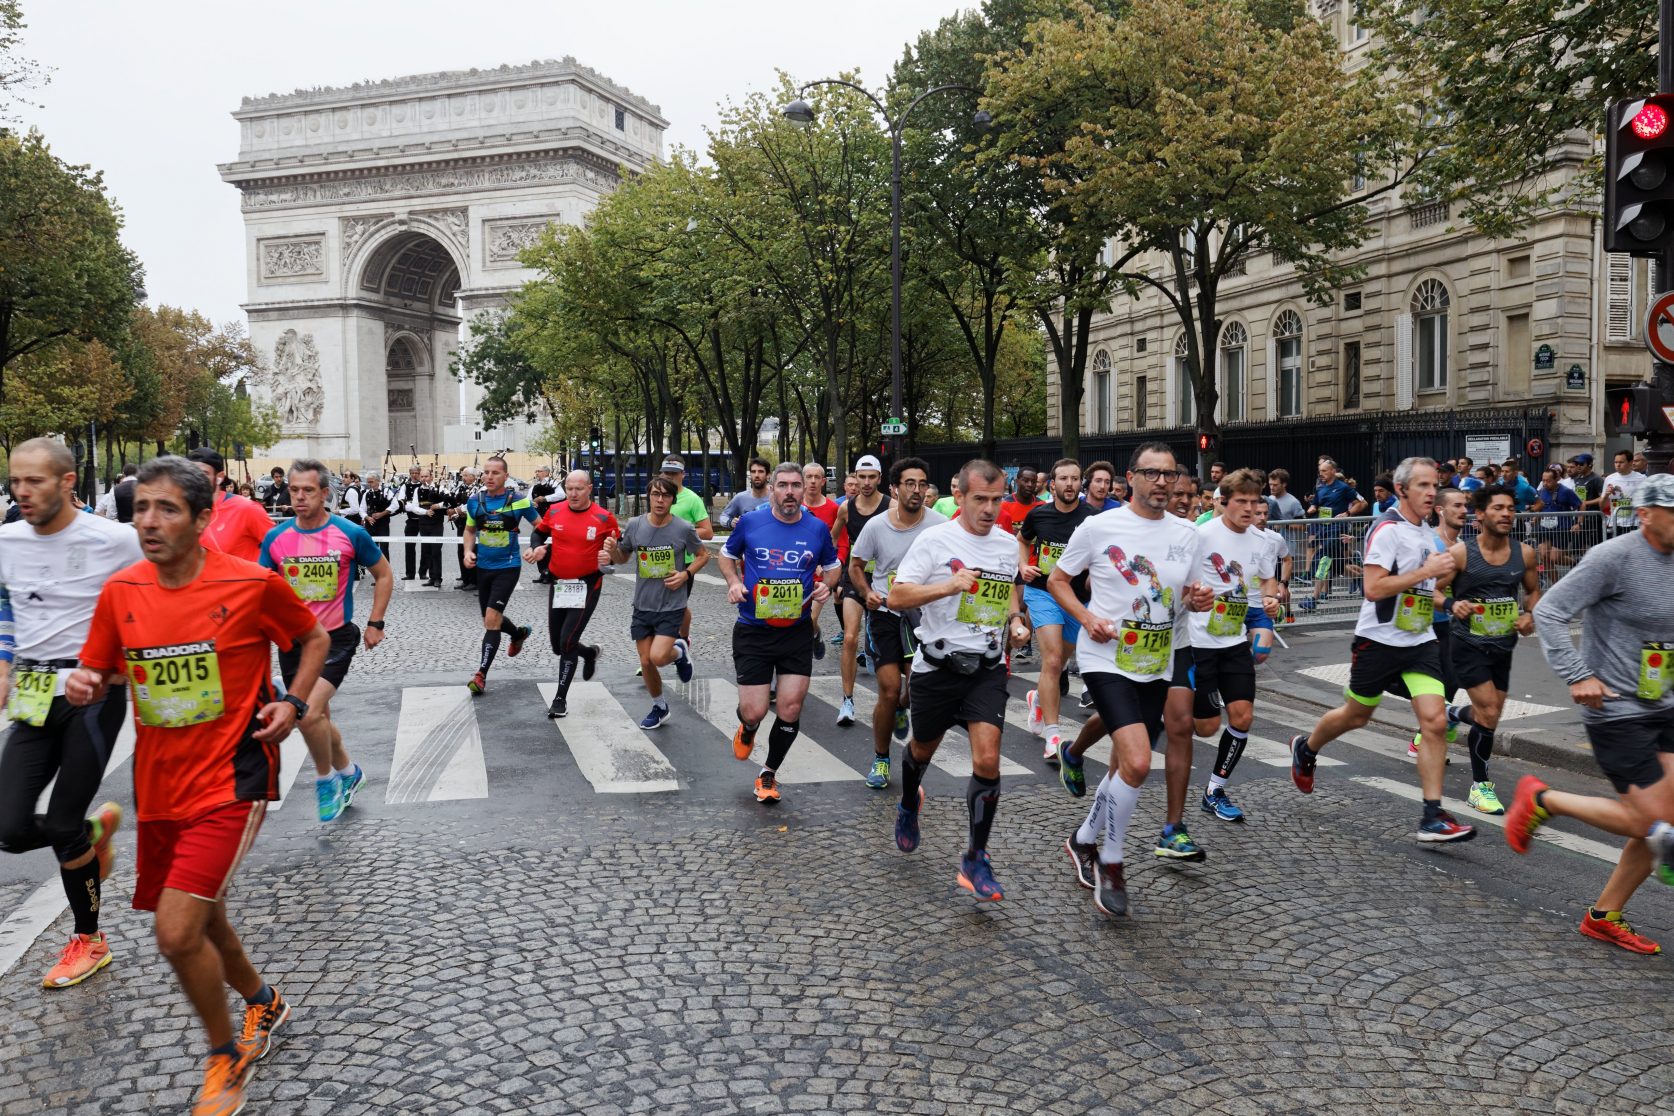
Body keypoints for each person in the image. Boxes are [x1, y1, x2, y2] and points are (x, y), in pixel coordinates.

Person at [67, 455, 329, 1116]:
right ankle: (263, 1002)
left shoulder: (251, 583)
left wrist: (293, 703)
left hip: (231, 779)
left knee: (177, 932)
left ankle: (223, 1058)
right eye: (141, 508)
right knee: (205, 912)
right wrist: (86, 683)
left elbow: (313, 636)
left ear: (203, 518)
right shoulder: (121, 592)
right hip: (158, 786)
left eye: (167, 509)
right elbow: (103, 671)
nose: (149, 522)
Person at [1513, 474, 1674, 954]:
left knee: (1664, 821)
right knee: (1653, 825)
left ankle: (1603, 915)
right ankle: (1544, 800)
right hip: (1615, 706)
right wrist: (1578, 674)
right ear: (1646, 514)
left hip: (1664, 701)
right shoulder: (1614, 557)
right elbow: (1550, 612)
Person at [0, 438, 141, 988]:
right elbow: (5, 603)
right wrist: (4, 661)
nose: (22, 492)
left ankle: (89, 939)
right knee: (8, 828)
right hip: (35, 693)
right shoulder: (7, 538)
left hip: (94, 696)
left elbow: (148, 599)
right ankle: (89, 834)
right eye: (15, 480)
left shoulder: (115, 539)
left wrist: (116, 669)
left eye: (34, 481)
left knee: (57, 825)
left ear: (66, 482)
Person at [1050, 444, 1212, 916]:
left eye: (1169, 475)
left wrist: (1198, 599)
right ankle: (1112, 863)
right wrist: (1086, 618)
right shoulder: (1100, 526)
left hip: (1156, 662)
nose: (1162, 483)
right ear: (1131, 478)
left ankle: (1083, 839)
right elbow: (1059, 580)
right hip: (1105, 658)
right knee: (1139, 763)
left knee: (1126, 768)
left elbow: (1188, 592)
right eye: (1151, 474)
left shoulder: (1188, 533)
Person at [1290, 457, 1476, 843]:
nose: (1432, 492)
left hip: (1419, 640)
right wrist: (1426, 572)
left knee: (1435, 720)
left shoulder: (1426, 533)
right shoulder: (1387, 529)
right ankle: (1306, 748)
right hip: (1379, 642)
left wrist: (1448, 603)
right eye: (1424, 485)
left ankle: (1432, 815)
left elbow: (1425, 590)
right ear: (1403, 489)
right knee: (1357, 715)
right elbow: (1373, 588)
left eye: (1435, 485)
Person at [888, 459, 1031, 901]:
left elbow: (1007, 588)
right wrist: (948, 587)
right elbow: (897, 595)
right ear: (961, 496)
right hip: (936, 668)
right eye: (981, 500)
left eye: (997, 499)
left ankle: (975, 857)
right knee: (921, 750)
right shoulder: (935, 540)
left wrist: (1015, 619)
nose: (990, 509)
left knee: (987, 761)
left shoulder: (1008, 545)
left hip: (986, 669)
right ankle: (910, 801)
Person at [259, 458, 391, 822]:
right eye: (294, 490)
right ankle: (350, 773)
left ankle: (325, 779)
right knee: (316, 720)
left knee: (305, 712)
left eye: (308, 490)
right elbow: (259, 590)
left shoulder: (350, 533)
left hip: (334, 638)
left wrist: (375, 622)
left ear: (323, 493)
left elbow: (383, 575)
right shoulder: (276, 538)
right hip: (292, 643)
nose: (299, 497)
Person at [718, 462, 839, 803]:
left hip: (796, 631)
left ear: (805, 490)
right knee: (755, 710)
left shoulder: (816, 529)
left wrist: (826, 587)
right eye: (782, 485)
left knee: (789, 708)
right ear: (771, 488)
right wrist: (734, 582)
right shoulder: (752, 523)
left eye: (795, 486)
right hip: (754, 630)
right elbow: (726, 556)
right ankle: (749, 727)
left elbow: (833, 567)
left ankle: (768, 773)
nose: (789, 492)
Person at [1438, 485, 1541, 816]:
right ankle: (1480, 787)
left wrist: (1529, 614)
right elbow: (1430, 591)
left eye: (1510, 508)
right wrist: (1453, 604)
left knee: (1490, 715)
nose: (1507, 513)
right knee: (1488, 714)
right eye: (1498, 508)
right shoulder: (1461, 554)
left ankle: (1451, 714)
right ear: (1480, 514)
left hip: (1502, 646)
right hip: (1467, 644)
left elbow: (1534, 591)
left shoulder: (1523, 553)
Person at [1191, 470, 1282, 823]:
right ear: (1223, 502)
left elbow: (1266, 578)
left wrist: (1271, 598)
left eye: (1254, 501)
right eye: (1240, 501)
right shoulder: (1201, 536)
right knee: (1207, 727)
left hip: (1233, 641)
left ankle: (1214, 790)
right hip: (1199, 642)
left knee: (1242, 717)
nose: (1248, 508)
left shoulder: (1262, 541)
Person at [850, 457, 945, 788]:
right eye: (909, 484)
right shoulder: (877, 526)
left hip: (923, 615)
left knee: (914, 689)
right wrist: (866, 594)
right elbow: (856, 566)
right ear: (894, 489)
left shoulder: (939, 525)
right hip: (885, 613)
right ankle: (880, 757)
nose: (917, 490)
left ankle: (904, 707)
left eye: (922, 484)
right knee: (889, 689)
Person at [599, 475, 704, 728]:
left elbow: (702, 555)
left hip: (671, 605)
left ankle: (678, 651)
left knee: (657, 657)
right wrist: (612, 549)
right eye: (655, 494)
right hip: (642, 604)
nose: (659, 500)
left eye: (665, 495)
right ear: (648, 497)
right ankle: (659, 707)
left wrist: (685, 574)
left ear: (672, 499)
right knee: (645, 661)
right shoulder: (635, 525)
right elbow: (623, 557)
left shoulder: (683, 529)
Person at [1020, 459, 1096, 763]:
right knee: (1051, 659)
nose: (1069, 484)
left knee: (1062, 660)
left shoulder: (1093, 518)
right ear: (1052, 483)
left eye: (1075, 479)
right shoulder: (1039, 514)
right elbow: (1022, 541)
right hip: (1043, 592)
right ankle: (1053, 736)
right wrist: (1023, 565)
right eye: (1063, 478)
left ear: (1081, 484)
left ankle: (1037, 697)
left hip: (1077, 598)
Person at [527, 470, 620, 718]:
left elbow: (618, 550)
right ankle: (589, 653)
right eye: (569, 489)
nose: (574, 494)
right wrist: (537, 549)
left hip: (587, 584)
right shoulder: (555, 511)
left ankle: (560, 699)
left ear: (589, 488)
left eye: (579, 488)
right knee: (558, 646)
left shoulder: (603, 517)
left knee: (567, 641)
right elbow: (539, 533)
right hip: (560, 584)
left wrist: (609, 554)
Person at [460, 456, 539, 695]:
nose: (489, 477)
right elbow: (470, 529)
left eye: (495, 473)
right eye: (486, 472)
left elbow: (541, 526)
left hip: (508, 567)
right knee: (489, 619)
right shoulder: (475, 501)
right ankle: (518, 634)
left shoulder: (519, 501)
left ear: (506, 476)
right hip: (483, 567)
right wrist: (467, 551)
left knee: (492, 620)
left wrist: (536, 547)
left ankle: (481, 674)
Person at [829, 455, 891, 726]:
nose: (866, 483)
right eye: (861, 477)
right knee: (851, 637)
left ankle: (893, 700)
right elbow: (832, 539)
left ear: (879, 478)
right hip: (855, 576)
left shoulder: (892, 507)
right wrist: (832, 570)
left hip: (884, 580)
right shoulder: (846, 508)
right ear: (855, 477)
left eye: (871, 477)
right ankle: (847, 700)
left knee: (886, 645)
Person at [659, 456, 715, 644]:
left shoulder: (692, 499)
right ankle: (649, 656)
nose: (669, 477)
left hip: (684, 561)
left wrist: (679, 533)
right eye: (666, 473)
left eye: (674, 474)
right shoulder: (655, 495)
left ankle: (682, 639)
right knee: (653, 605)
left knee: (678, 606)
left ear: (683, 475)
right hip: (655, 560)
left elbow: (708, 532)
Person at [189, 449, 278, 565]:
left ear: (219, 477)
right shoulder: (185, 512)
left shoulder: (246, 509)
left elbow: (281, 548)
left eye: (203, 474)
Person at [802, 462, 839, 648]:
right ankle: (815, 635)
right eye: (809, 477)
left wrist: (829, 567)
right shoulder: (793, 506)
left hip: (821, 578)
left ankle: (813, 636)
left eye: (817, 477)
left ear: (823, 481)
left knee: (809, 619)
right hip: (797, 574)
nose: (813, 481)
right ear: (803, 480)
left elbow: (840, 543)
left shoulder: (833, 509)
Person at [1531, 465, 1582, 578]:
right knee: (1545, 557)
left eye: (1548, 481)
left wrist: (1579, 523)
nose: (1545, 483)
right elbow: (1541, 507)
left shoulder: (1566, 491)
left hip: (1562, 528)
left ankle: (1574, 562)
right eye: (1543, 480)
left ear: (1556, 479)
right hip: (1544, 528)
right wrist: (1536, 517)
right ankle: (1555, 586)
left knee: (1554, 557)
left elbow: (1581, 504)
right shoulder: (1542, 492)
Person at [1601, 450, 1647, 537]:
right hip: (1615, 523)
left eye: (1621, 462)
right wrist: (1606, 495)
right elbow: (1602, 506)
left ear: (1630, 463)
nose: (1618, 465)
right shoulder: (1609, 479)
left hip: (1634, 523)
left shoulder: (1642, 478)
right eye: (1616, 462)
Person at [719, 456, 772, 528]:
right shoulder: (740, 498)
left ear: (768, 475)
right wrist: (730, 522)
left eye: (761, 471)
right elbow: (723, 516)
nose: (756, 475)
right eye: (753, 472)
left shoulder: (776, 497)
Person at [450, 466, 481, 591]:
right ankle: (465, 578)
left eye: (466, 475)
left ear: (473, 477)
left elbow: (474, 504)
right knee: (461, 550)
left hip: (473, 524)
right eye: (463, 475)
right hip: (461, 523)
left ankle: (474, 580)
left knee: (472, 550)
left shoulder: (479, 489)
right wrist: (453, 512)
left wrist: (458, 510)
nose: (463, 478)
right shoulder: (460, 487)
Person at [361, 472, 396, 561]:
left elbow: (395, 505)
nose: (369, 484)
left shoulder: (386, 491)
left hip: (383, 524)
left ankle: (386, 571)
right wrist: (367, 517)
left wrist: (382, 513)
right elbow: (361, 509)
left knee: (384, 548)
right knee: (372, 548)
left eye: (371, 482)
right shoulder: (366, 493)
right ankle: (375, 570)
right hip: (370, 524)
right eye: (368, 482)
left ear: (378, 481)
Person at [995, 465, 1041, 534]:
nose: (1030, 484)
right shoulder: (1004, 505)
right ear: (1017, 481)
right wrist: (1008, 531)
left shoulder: (1042, 506)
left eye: (1033, 481)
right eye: (1025, 481)